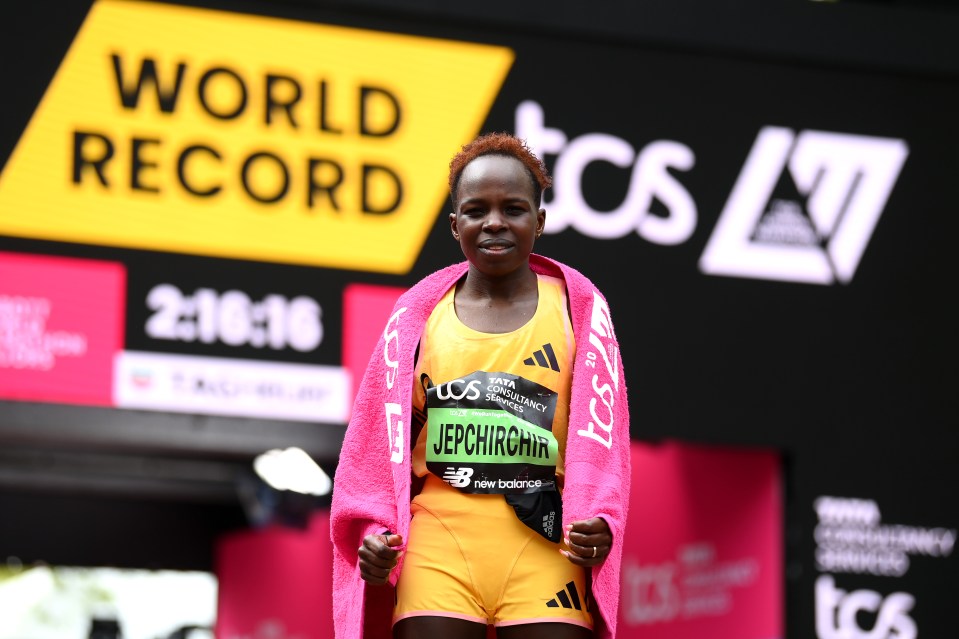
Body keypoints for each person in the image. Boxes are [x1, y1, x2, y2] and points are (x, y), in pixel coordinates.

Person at [330, 132, 630, 639]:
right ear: (455, 224)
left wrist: (602, 518)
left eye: (513, 208)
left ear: (539, 220)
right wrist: (373, 532)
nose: (494, 222)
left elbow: (606, 439)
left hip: (547, 544)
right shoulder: (415, 318)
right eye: (476, 210)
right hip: (438, 541)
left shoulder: (580, 311)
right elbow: (374, 450)